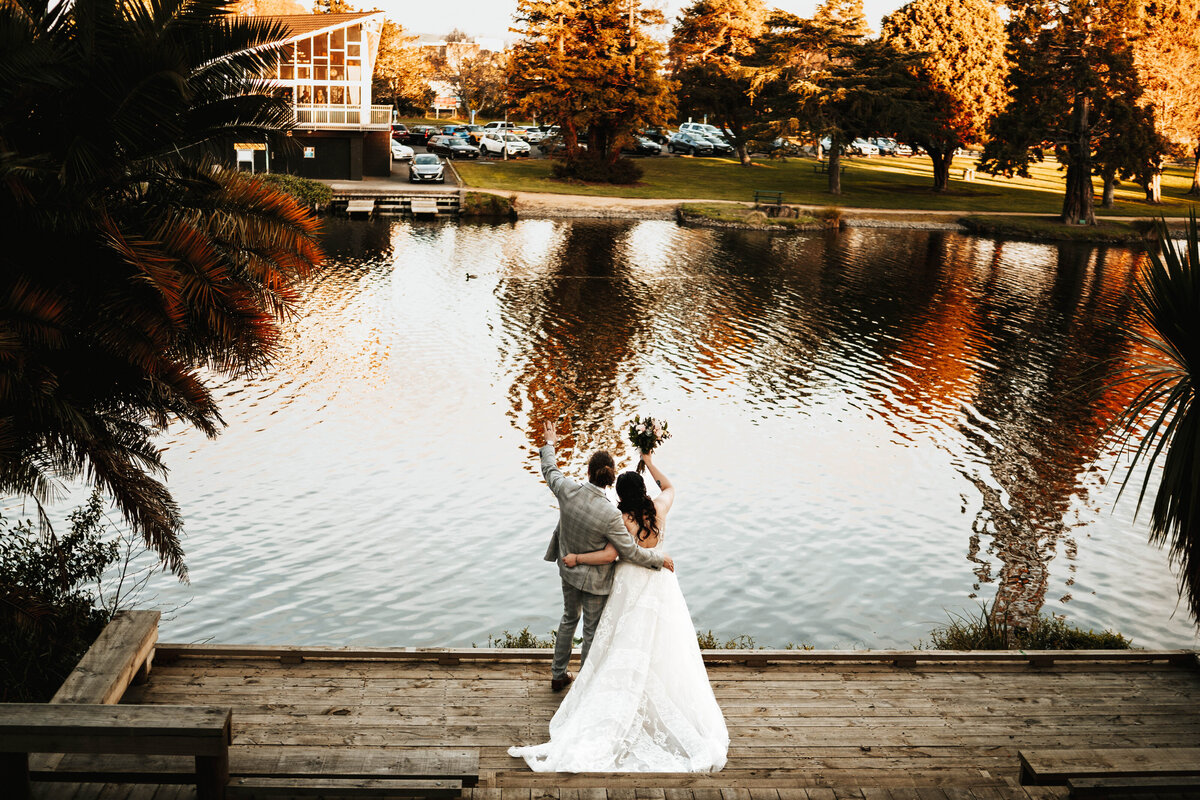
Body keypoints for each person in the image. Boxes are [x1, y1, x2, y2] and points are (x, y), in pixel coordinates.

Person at [509, 448, 728, 772]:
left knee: (619, 639)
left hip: (628, 584)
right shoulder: (659, 508)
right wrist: (651, 462)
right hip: (661, 584)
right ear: (643, 491)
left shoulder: (622, 519)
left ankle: (592, 683)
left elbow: (612, 556)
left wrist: (578, 558)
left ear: (621, 496)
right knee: (663, 641)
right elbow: (669, 488)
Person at [536, 421, 672, 692]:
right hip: (597, 583)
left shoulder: (567, 490)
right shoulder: (612, 515)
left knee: (567, 619)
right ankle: (584, 688)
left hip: (568, 570)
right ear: (610, 481)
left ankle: (558, 674)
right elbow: (629, 552)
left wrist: (550, 443)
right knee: (591, 633)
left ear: (588, 471)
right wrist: (659, 560)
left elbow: (549, 469)